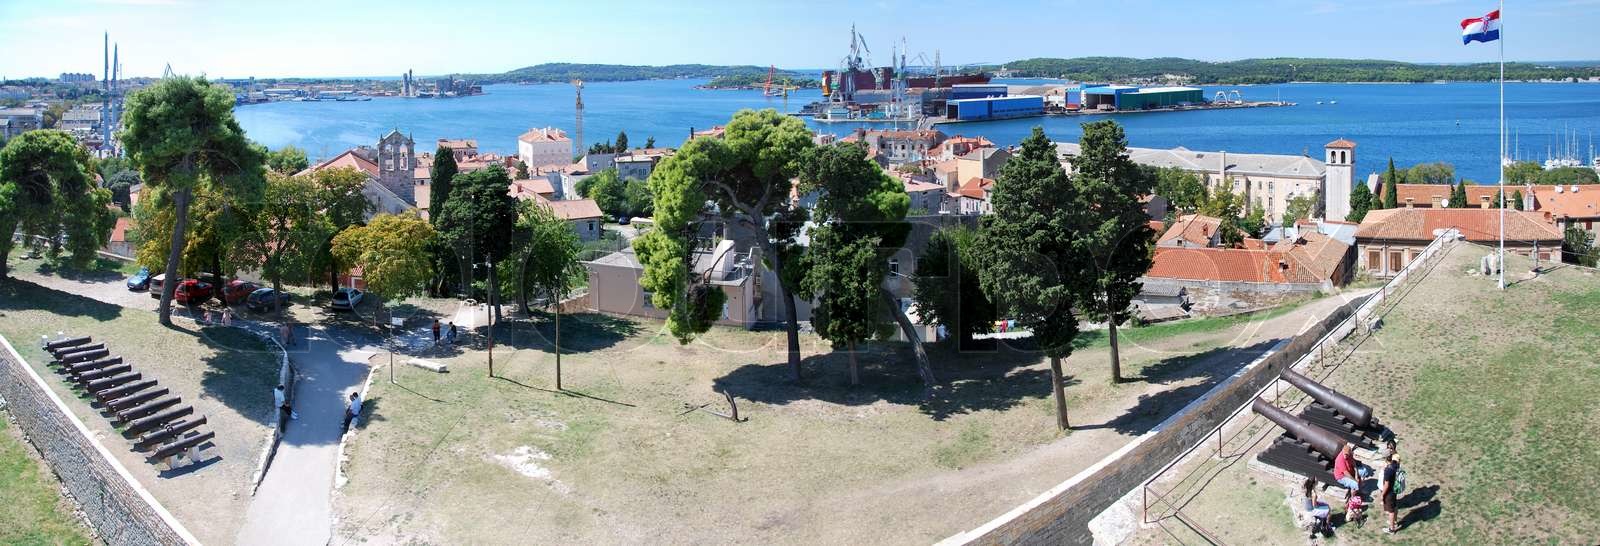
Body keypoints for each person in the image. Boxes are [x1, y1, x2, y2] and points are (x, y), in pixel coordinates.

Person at [1380, 453, 1401, 534]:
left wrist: (1382, 495)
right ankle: (1394, 522)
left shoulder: (1388, 470)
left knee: (1391, 511)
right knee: (1395, 506)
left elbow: (1386, 484)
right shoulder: (1396, 466)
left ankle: (1391, 529)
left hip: (1389, 493)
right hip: (1394, 490)